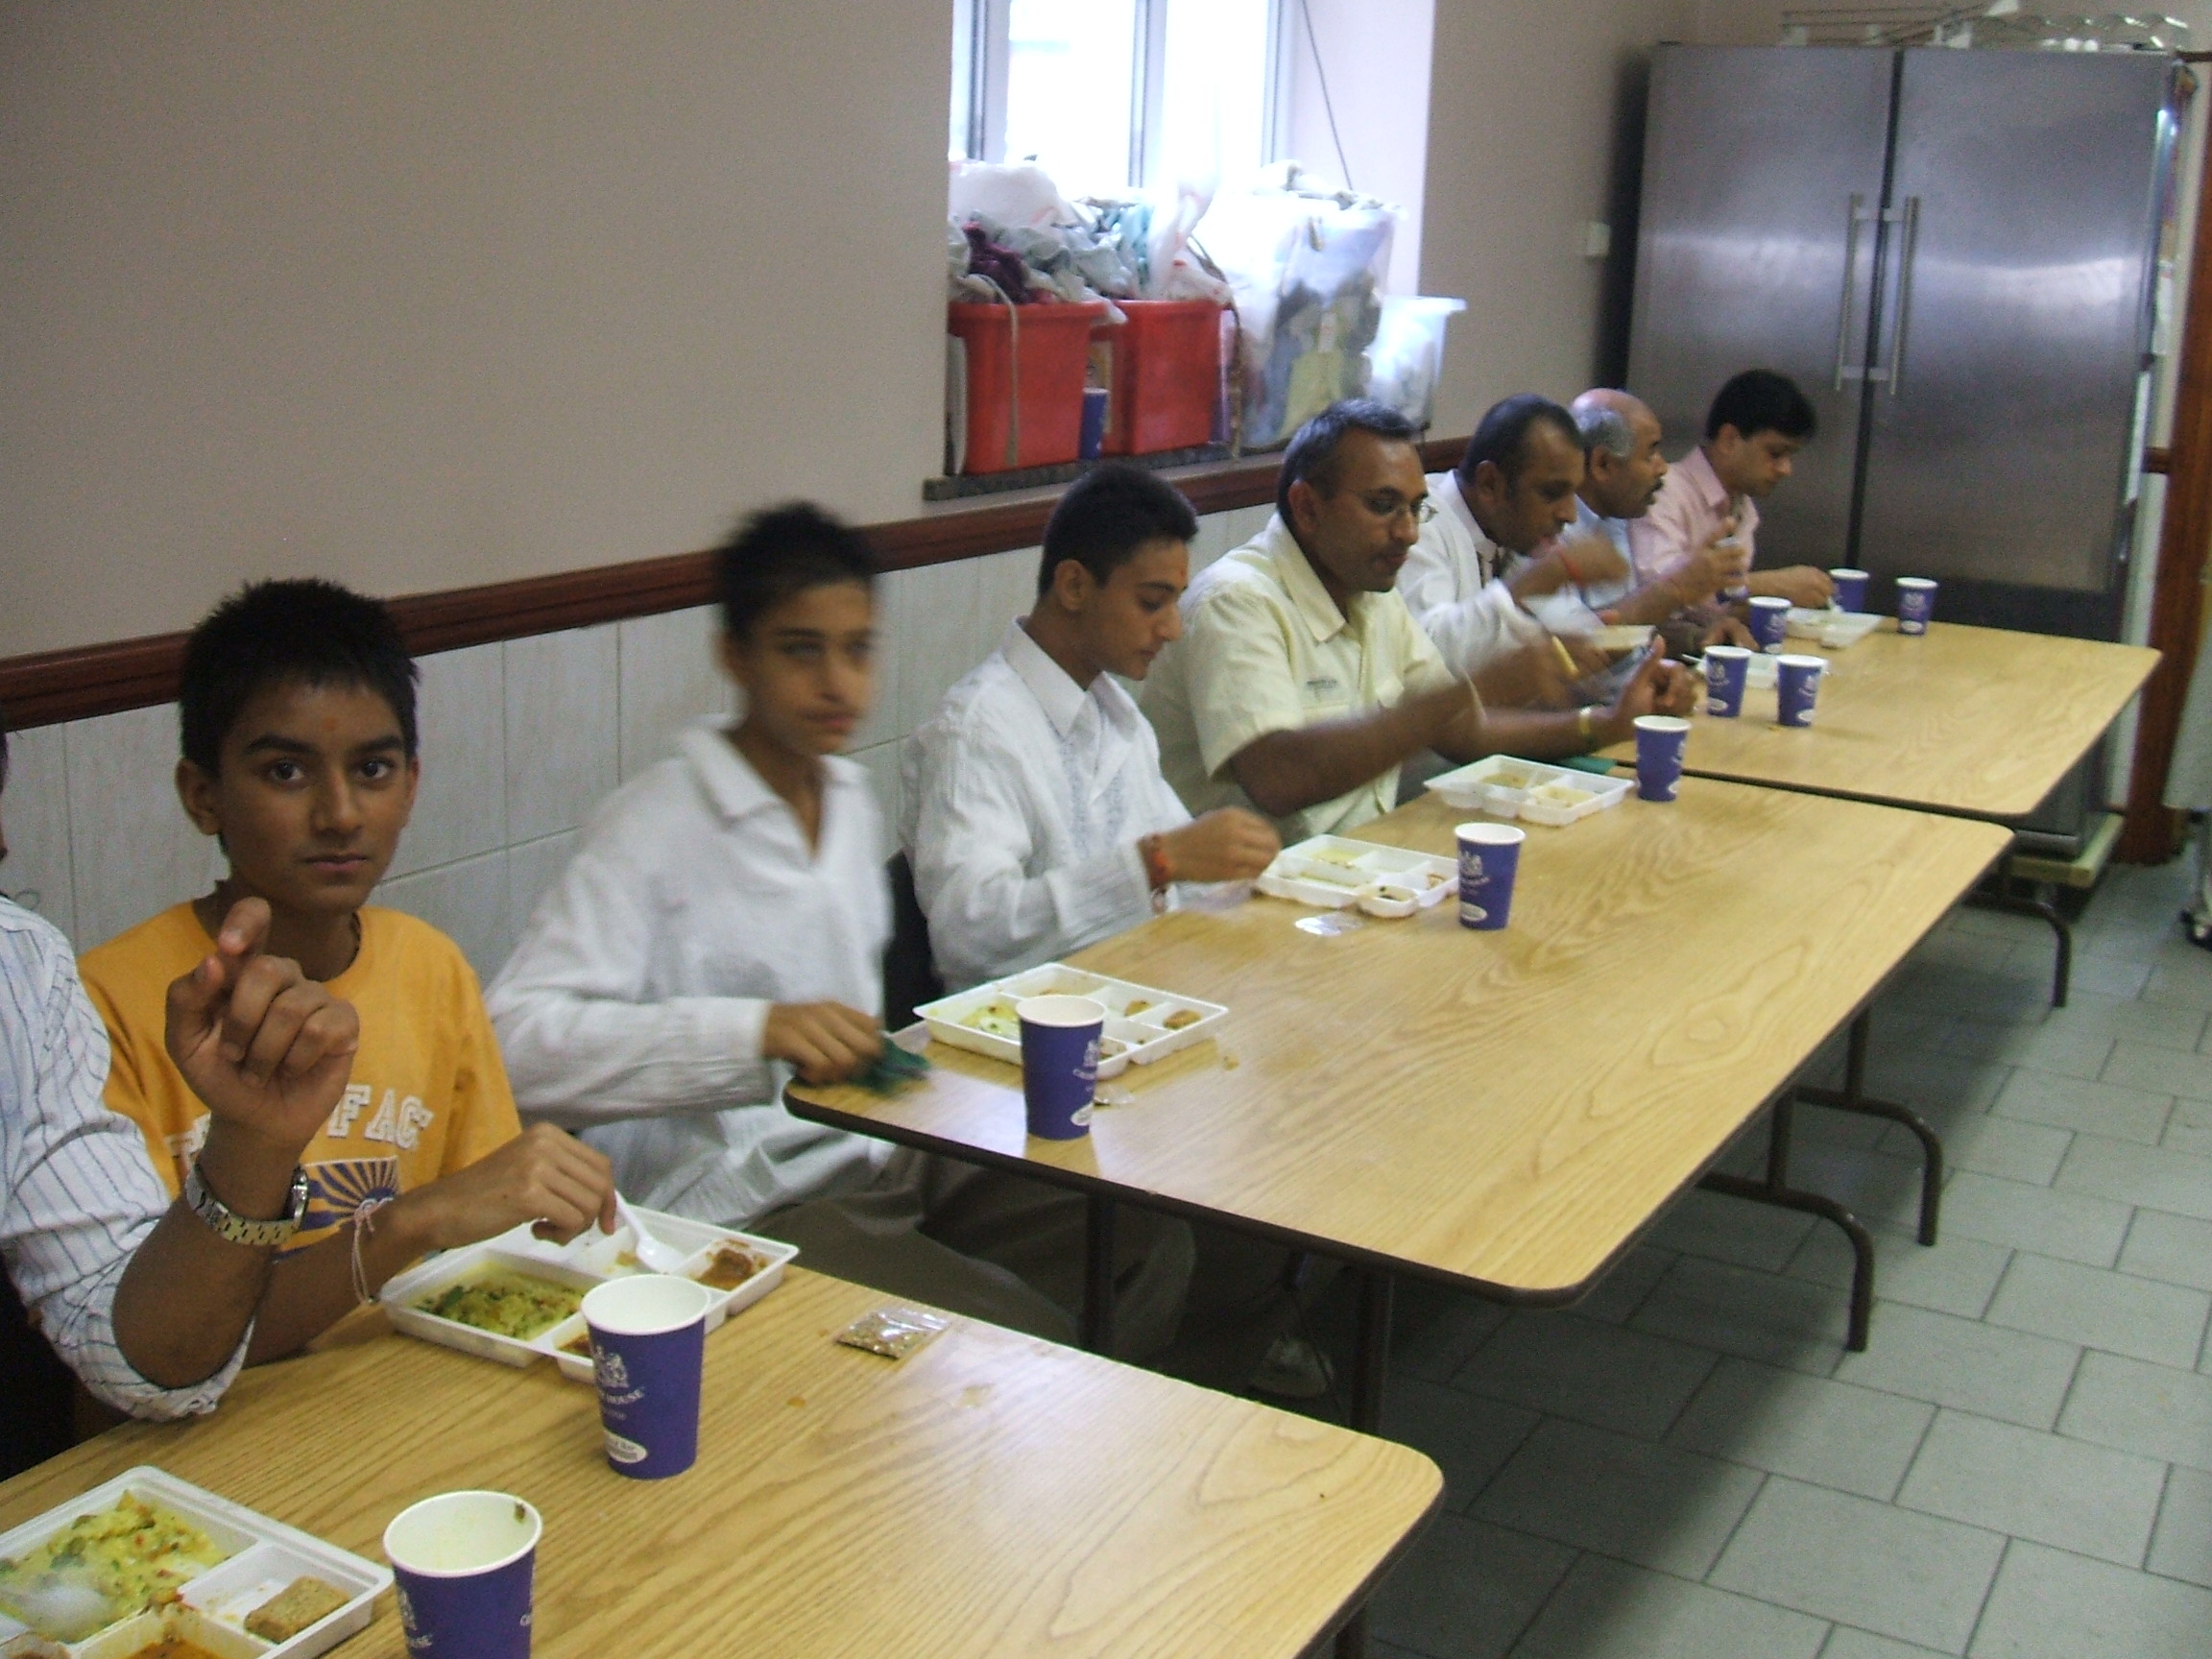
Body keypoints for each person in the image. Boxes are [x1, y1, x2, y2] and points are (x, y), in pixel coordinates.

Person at [489, 504, 1190, 1358]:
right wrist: (754, 1033)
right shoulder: (655, 825)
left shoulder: (848, 804)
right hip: (751, 1207)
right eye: (800, 651)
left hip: (876, 1154)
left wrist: (897, 1069)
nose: (836, 685)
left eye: (857, 651)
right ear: (734, 656)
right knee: (1014, 1348)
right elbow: (513, 1040)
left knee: (1147, 1236)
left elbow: (854, 1053)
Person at [79, 581, 616, 1365]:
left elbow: (484, 1247)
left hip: (401, 1393)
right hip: (192, 1450)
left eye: (371, 768)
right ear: (203, 796)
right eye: (286, 774)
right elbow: (147, 1357)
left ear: (412, 785)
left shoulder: (429, 967)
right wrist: (408, 1223)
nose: (339, 814)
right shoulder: (110, 1002)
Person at [4, 704, 364, 1470]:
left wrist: (254, 1142)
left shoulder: (20, 971)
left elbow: (144, 1366)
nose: (339, 816)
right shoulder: (109, 981)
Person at [1142, 399, 1695, 844]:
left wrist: (1604, 724)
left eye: (1415, 507)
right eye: (1385, 505)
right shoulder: (1237, 601)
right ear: (1308, 508)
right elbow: (1280, 778)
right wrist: (1477, 686)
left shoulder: (1369, 590)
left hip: (1357, 869)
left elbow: (1464, 731)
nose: (1408, 532)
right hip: (1236, 906)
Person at [902, 464, 1280, 992]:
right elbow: (970, 936)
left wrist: (1242, 873)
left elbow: (1184, 878)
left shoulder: (1116, 715)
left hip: (1134, 997)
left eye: (1175, 600)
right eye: (1152, 602)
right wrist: (1152, 864)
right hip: (1023, 1038)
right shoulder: (977, 731)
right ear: (1075, 586)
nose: (1172, 628)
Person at [1397, 394, 1633, 688]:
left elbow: (1560, 627)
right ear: (1490, 484)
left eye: (1573, 493)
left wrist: (1594, 642)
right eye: (1552, 493)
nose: (1570, 514)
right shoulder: (1419, 520)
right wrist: (1544, 577)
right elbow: (1426, 657)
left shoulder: (1510, 530)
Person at [1565, 389, 1757, 652]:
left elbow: (1633, 621)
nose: (1662, 468)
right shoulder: (1553, 533)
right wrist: (1676, 586)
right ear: (1602, 464)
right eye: (1650, 455)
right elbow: (1567, 653)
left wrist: (1700, 638)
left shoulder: (1617, 520)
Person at [1629, 369, 1835, 611]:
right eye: (1776, 453)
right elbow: (1657, 595)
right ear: (1729, 440)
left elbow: (1721, 608)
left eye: (1790, 456)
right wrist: (1766, 586)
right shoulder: (1663, 492)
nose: (1785, 469)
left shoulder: (1742, 505)